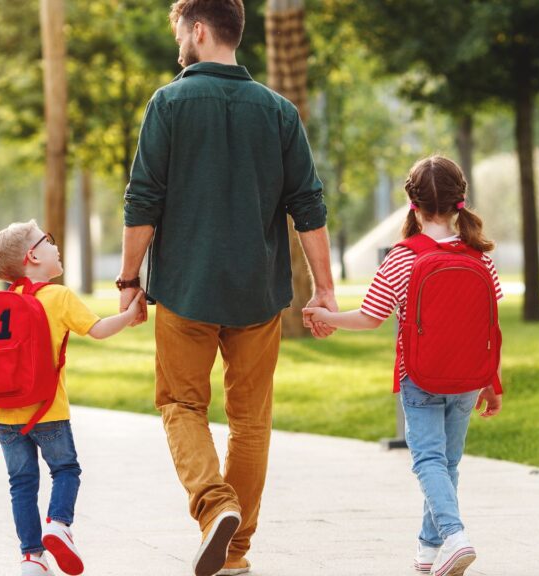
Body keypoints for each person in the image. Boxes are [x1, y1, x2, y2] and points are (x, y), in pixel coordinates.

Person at [117, 1, 335, 574]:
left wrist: (127, 279)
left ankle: (215, 507)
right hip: (256, 296)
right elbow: (308, 206)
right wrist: (324, 290)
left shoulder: (168, 103)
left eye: (180, 34)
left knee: (181, 404)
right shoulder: (279, 111)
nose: (179, 45)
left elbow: (143, 200)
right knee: (250, 421)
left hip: (186, 291)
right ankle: (235, 554)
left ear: (200, 30)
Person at [304, 155, 504, 576]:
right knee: (447, 464)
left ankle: (454, 535)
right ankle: (429, 549)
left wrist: (327, 318)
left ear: (412, 203)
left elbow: (371, 317)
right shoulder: (480, 255)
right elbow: (487, 324)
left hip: (421, 377)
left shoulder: (402, 257)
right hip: (469, 378)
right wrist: (490, 380)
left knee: (428, 461)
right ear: (460, 200)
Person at [0, 220, 144, 576]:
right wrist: (129, 314)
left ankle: (32, 557)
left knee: (21, 484)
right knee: (66, 470)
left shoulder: (1, 303)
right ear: (33, 255)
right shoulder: (59, 297)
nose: (56, 246)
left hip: (5, 417)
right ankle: (59, 525)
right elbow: (98, 330)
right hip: (47, 410)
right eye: (48, 240)